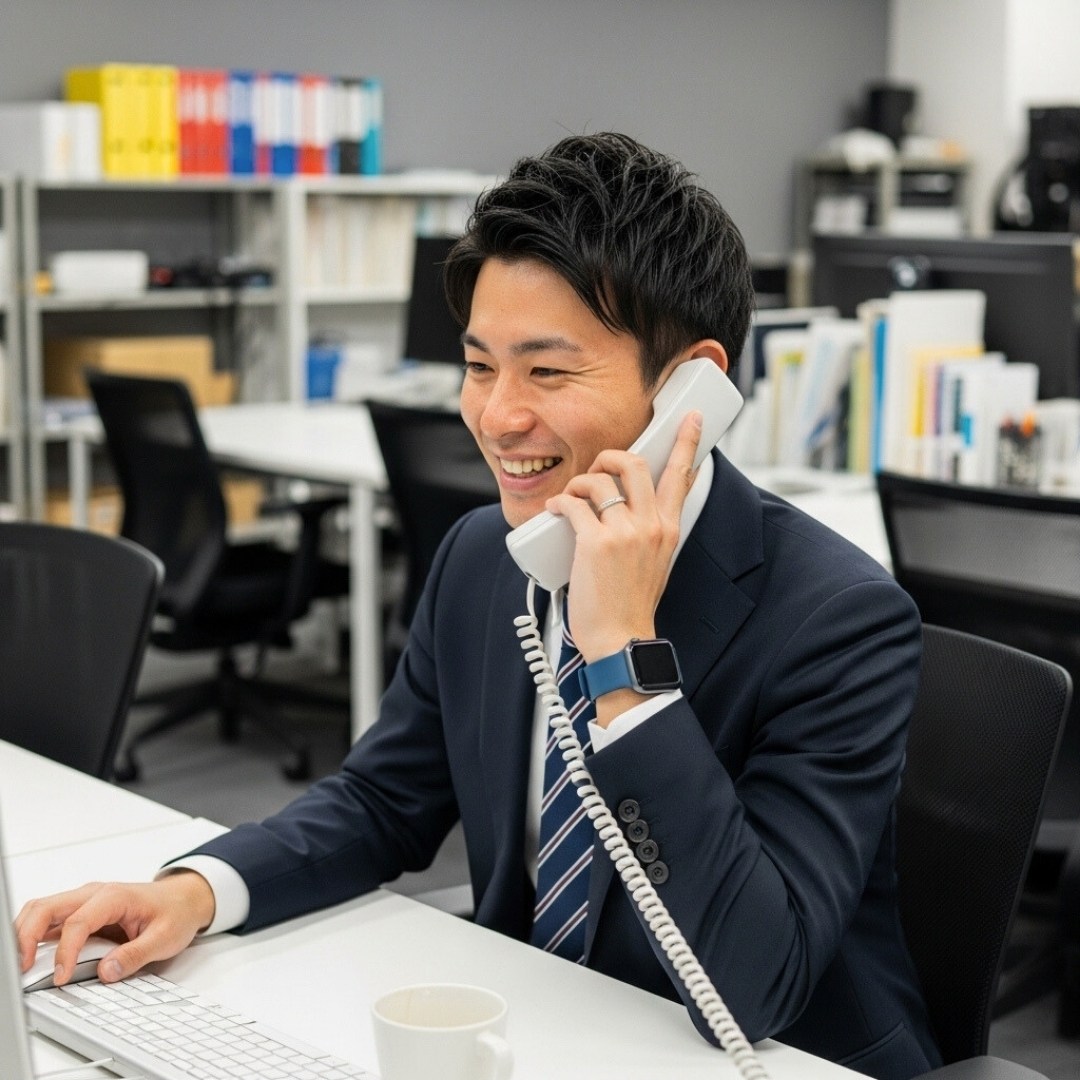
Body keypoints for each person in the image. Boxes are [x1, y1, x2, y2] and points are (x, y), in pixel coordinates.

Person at [15, 132, 941, 1080]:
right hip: (546, 1031)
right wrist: (198, 890)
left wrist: (623, 656)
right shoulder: (483, 559)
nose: (497, 417)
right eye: (479, 365)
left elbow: (753, 984)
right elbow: (384, 798)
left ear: (688, 387)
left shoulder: (839, 618)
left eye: (547, 371)